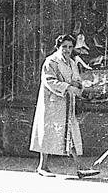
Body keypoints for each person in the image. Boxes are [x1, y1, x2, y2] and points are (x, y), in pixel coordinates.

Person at [30, 33, 100, 178]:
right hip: (52, 103)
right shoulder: (51, 62)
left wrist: (78, 85)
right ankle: (42, 166)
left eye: (70, 47)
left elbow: (76, 79)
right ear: (58, 47)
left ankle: (80, 167)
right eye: (64, 47)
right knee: (48, 132)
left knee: (71, 133)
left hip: (67, 104)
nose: (67, 50)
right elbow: (49, 80)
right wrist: (67, 87)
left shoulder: (72, 63)